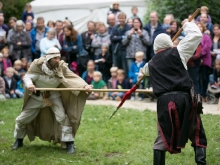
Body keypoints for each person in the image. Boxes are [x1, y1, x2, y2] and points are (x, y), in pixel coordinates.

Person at [142, 20, 207, 165]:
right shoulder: (179, 51)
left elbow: (144, 71)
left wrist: (147, 68)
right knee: (196, 132)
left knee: (162, 137)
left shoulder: (151, 64)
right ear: (169, 44)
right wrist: (187, 24)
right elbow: (196, 34)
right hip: (184, 99)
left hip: (164, 102)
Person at [12, 47, 92, 154]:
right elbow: (27, 77)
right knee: (21, 119)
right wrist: (30, 84)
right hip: (37, 97)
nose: (58, 60)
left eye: (59, 57)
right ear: (49, 58)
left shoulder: (61, 67)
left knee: (62, 117)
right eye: (55, 58)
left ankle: (69, 143)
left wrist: (84, 86)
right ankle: (19, 140)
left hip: (53, 96)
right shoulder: (37, 66)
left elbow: (73, 77)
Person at [197, 22, 212, 102]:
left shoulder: (207, 37)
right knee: (198, 78)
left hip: (205, 60)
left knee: (205, 78)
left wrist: (199, 55)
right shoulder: (195, 37)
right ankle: (199, 94)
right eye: (198, 26)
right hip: (196, 61)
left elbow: (206, 48)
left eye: (200, 27)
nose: (199, 28)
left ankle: (204, 94)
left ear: (203, 28)